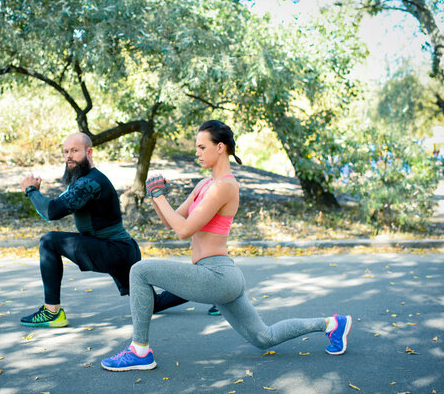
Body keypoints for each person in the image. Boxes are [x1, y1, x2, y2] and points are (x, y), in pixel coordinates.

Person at [101, 120, 352, 371]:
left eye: (201, 147)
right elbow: (171, 223)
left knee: (140, 270)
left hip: (216, 275)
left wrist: (160, 197)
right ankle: (332, 324)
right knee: (264, 338)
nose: (196, 152)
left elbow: (184, 231)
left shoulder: (225, 186)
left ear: (220, 147)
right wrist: (155, 197)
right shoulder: (204, 185)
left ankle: (140, 351)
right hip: (221, 276)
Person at [19, 132, 183, 327]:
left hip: (114, 250)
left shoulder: (90, 182)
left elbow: (52, 212)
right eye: (65, 152)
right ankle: (209, 290)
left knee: (49, 241)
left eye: (74, 151)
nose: (68, 156)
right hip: (122, 250)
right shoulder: (83, 180)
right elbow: (51, 209)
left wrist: (31, 191)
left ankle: (52, 311)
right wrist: (36, 194)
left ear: (89, 152)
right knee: (152, 305)